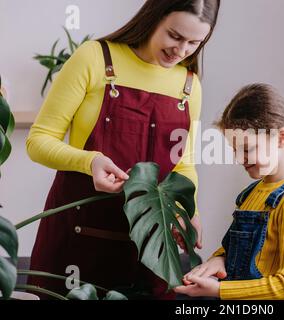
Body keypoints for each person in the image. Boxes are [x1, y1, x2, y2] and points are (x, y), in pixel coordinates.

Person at [26, 0, 221, 299]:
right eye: (175, 36)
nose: (182, 51)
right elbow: (38, 140)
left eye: (195, 42)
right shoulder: (94, 57)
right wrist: (90, 161)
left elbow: (183, 165)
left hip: (148, 250)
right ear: (153, 17)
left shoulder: (189, 85)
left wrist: (186, 208)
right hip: (78, 239)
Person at [174, 83, 284, 299]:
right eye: (235, 150)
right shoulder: (252, 192)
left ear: (281, 138)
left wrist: (219, 290)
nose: (239, 158)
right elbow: (241, 251)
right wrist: (220, 259)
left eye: (247, 149)